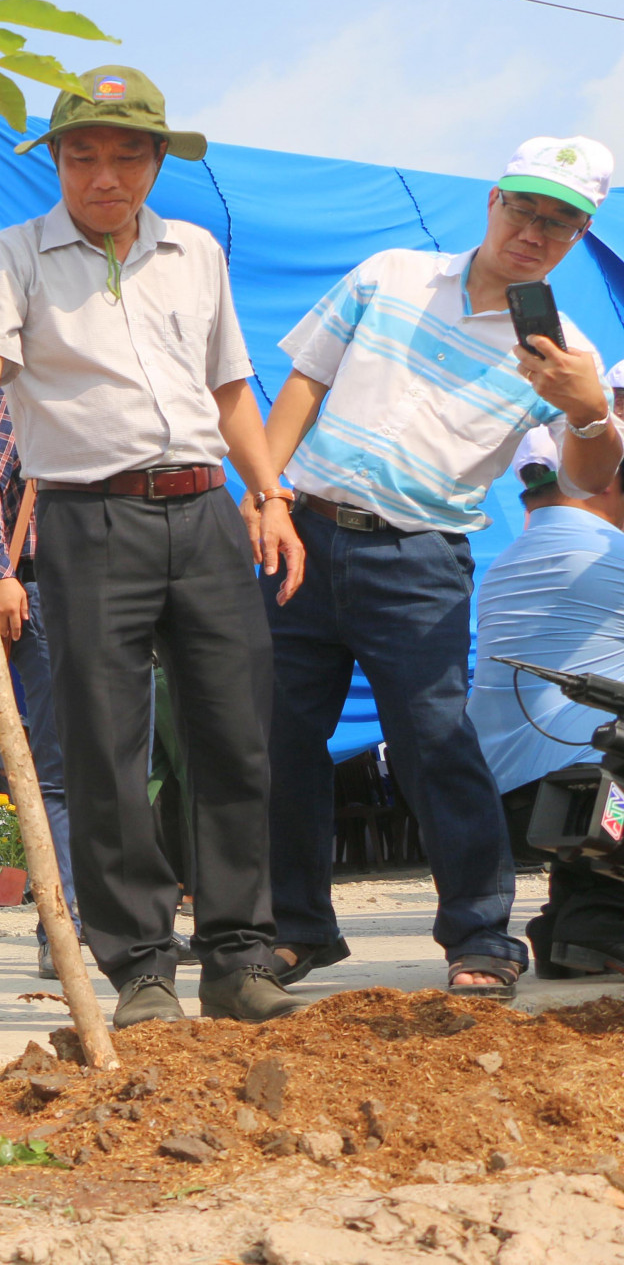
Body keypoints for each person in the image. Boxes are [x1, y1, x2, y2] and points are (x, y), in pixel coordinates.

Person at [0, 66, 303, 1028]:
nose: (104, 176)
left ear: (158, 161)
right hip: (87, 524)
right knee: (103, 747)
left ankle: (239, 957)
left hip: (207, 511)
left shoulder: (197, 251)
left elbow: (231, 394)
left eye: (127, 155)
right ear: (55, 161)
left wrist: (270, 492)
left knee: (233, 736)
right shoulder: (14, 256)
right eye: (82, 155)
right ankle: (140, 967)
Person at [258, 136, 620, 1000]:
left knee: (437, 743)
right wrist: (266, 492)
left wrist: (589, 411)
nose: (535, 231)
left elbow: (586, 479)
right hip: (303, 532)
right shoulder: (390, 273)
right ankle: (294, 930)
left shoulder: (564, 349)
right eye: (524, 208)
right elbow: (305, 379)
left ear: (578, 235)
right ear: (493, 199)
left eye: (560, 222)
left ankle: (481, 939)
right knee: (281, 743)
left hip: (420, 558)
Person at [467, 427, 624, 976]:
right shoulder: (610, 556)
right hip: (588, 801)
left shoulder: (506, 564)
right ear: (600, 483)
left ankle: (569, 927)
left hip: (507, 807)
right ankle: (599, 923)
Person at [0, 387, 76, 978]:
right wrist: (0, 572)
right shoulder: (20, 392)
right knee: (58, 771)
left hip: (109, 592)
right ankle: (63, 924)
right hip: (42, 592)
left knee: (123, 766)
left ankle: (130, 922)